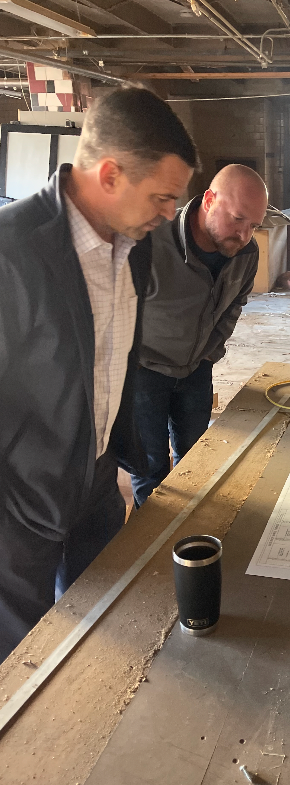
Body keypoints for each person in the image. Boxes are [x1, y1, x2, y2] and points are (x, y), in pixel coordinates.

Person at [0, 86, 198, 662]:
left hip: (96, 480)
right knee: (23, 660)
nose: (169, 215)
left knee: (101, 626)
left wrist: (114, 458)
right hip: (20, 503)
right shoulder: (12, 251)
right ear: (109, 175)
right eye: (162, 197)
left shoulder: (132, 241)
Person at [130, 164, 269, 507]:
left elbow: (236, 303)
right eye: (238, 219)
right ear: (209, 200)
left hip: (197, 370)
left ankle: (189, 530)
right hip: (144, 374)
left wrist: (210, 352)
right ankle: (154, 547)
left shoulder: (246, 253)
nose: (245, 235)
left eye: (254, 225)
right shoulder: (149, 242)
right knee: (149, 468)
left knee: (195, 457)